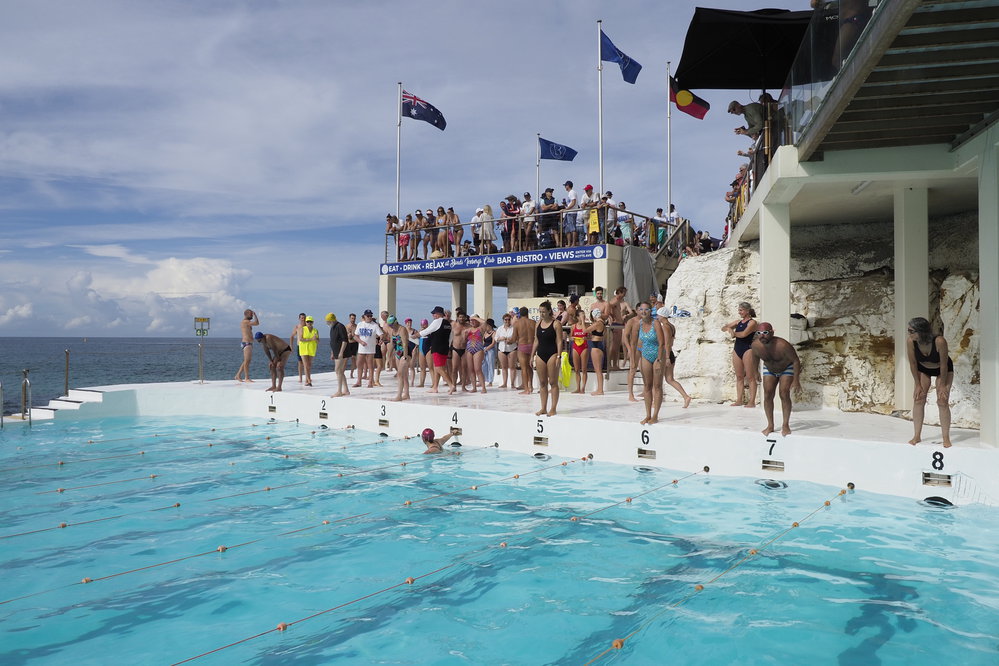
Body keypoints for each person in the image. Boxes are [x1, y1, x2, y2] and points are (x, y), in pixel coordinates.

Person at [905, 317, 954, 447]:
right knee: (919, 398)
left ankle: (946, 438)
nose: (909, 333)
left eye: (911, 331)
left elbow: (944, 365)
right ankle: (917, 436)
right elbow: (913, 363)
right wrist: (917, 384)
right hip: (923, 369)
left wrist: (943, 385)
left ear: (921, 331)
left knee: (942, 400)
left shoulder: (939, 341)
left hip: (942, 370)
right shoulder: (911, 341)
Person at [752, 322, 802, 437]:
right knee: (768, 394)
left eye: (765, 333)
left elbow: (795, 361)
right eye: (759, 333)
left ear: (772, 332)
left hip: (786, 368)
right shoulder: (756, 345)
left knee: (784, 393)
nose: (762, 335)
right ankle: (770, 425)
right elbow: (754, 358)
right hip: (769, 369)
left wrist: (796, 380)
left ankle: (785, 424)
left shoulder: (783, 345)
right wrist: (755, 372)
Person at [721, 302, 759, 407]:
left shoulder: (752, 323)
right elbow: (723, 328)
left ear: (747, 311)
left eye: (741, 310)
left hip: (748, 349)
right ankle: (739, 400)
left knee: (750, 377)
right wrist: (729, 328)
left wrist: (733, 333)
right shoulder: (738, 322)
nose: (739, 312)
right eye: (739, 310)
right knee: (739, 376)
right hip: (737, 349)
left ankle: (752, 401)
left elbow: (744, 334)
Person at [633, 302, 664, 424]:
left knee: (657, 386)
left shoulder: (656, 323)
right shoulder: (638, 324)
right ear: (638, 311)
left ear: (650, 311)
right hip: (645, 355)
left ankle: (655, 415)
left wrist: (659, 359)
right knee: (647, 386)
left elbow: (662, 343)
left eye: (646, 309)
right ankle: (648, 415)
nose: (644, 312)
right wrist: (633, 359)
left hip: (657, 354)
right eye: (641, 309)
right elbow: (635, 342)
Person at [415, 306, 456, 394]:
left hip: (437, 347)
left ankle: (451, 385)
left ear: (438, 314)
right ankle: (435, 387)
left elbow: (427, 331)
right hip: (445, 348)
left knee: (438, 368)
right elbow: (451, 337)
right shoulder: (448, 324)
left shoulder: (437, 321)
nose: (433, 315)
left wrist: (415, 335)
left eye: (434, 313)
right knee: (437, 366)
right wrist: (447, 346)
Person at [532, 300, 563, 416]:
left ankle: (553, 408)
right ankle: (543, 408)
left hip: (552, 354)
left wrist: (559, 356)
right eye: (540, 312)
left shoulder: (556, 324)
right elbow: (536, 341)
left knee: (553, 382)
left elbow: (559, 341)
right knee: (542, 382)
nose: (541, 314)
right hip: (540, 354)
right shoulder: (538, 323)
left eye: (544, 312)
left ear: (549, 311)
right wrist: (532, 356)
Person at [660, 312, 692, 408]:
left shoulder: (665, 327)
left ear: (662, 315)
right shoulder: (671, 326)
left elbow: (667, 343)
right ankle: (686, 396)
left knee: (658, 379)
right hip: (670, 353)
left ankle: (655, 400)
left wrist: (666, 357)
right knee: (669, 379)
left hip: (666, 354)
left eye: (658, 315)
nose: (657, 317)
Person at [352, 310, 382, 389]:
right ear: (364, 316)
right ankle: (359, 381)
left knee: (370, 366)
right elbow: (355, 336)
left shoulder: (374, 325)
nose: (369, 317)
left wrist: (381, 340)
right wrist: (361, 342)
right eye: (368, 316)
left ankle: (370, 382)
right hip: (361, 348)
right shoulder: (360, 324)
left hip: (370, 349)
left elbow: (381, 334)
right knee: (359, 364)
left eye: (370, 316)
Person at [510, 306, 536, 395]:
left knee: (524, 368)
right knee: (530, 367)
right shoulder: (533, 322)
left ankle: (526, 389)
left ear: (519, 314)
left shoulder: (517, 324)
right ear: (527, 313)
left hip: (522, 346)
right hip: (532, 346)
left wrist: (508, 341)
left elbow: (513, 338)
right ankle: (531, 386)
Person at [385, 315, 411, 401]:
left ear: (396, 322)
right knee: (404, 375)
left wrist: (405, 356)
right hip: (398, 353)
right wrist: (388, 357)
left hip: (405, 353)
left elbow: (405, 344)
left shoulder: (402, 329)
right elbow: (392, 344)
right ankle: (406, 394)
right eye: (389, 325)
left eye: (391, 324)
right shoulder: (392, 330)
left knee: (400, 374)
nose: (391, 326)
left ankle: (399, 395)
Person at [326, 312, 350, 397]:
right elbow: (333, 341)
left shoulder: (340, 326)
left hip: (342, 352)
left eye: (328, 321)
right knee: (340, 371)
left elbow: (344, 340)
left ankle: (339, 391)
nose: (327, 323)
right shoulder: (332, 327)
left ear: (332, 320)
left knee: (338, 370)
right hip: (336, 352)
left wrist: (341, 352)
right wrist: (332, 352)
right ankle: (346, 390)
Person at [586, 308, 607, 396]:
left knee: (598, 370)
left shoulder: (598, 323)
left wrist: (583, 322)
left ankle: (600, 390)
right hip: (599, 344)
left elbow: (585, 330)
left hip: (596, 346)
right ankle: (599, 389)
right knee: (598, 369)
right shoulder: (602, 323)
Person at [235, 308, 259, 382]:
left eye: (252, 314)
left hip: (248, 343)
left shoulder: (246, 322)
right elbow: (257, 323)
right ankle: (247, 378)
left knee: (246, 361)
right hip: (247, 343)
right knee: (247, 361)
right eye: (251, 314)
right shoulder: (245, 322)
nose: (252, 316)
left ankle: (238, 375)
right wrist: (255, 315)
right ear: (247, 314)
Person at [465, 315, 487, 393]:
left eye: (474, 320)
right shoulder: (468, 330)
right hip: (469, 349)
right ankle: (474, 387)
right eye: (471, 320)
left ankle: (483, 387)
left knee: (478, 369)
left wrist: (475, 317)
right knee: (471, 369)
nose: (472, 322)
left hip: (478, 349)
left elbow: (484, 322)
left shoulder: (480, 329)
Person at [495, 312, 517, 389]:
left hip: (512, 349)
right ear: (503, 320)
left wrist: (511, 340)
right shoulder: (500, 328)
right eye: (505, 320)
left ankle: (512, 383)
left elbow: (517, 338)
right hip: (502, 349)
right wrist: (501, 338)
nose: (507, 321)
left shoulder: (514, 328)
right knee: (504, 367)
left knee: (512, 367)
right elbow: (495, 338)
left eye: (508, 319)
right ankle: (504, 383)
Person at [569, 309, 589, 394]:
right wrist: (572, 338)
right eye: (581, 315)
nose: (583, 317)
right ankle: (578, 387)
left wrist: (583, 322)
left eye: (583, 315)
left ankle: (583, 387)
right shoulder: (574, 326)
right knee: (577, 369)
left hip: (584, 347)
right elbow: (570, 336)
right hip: (576, 346)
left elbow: (588, 334)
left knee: (584, 369)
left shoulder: (587, 325)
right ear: (577, 317)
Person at [298, 315, 319, 387]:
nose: (309, 323)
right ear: (306, 322)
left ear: (313, 322)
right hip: (303, 349)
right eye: (308, 321)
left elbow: (318, 340)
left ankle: (307, 381)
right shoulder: (302, 329)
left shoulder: (315, 330)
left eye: (310, 322)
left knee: (309, 365)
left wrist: (316, 339)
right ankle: (309, 379)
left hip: (312, 349)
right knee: (306, 365)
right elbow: (301, 339)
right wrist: (311, 339)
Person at [290, 312, 306, 384]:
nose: (303, 319)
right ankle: (300, 378)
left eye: (304, 318)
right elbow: (292, 336)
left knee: (307, 363)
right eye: (302, 318)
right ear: (299, 318)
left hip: (306, 346)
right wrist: (291, 346)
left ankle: (307, 377)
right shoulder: (297, 327)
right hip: (299, 346)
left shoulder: (308, 326)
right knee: (300, 363)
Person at [562, 181, 578, 247]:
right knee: (567, 229)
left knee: (572, 228)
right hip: (569, 213)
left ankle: (573, 243)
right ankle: (569, 243)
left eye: (565, 186)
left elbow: (573, 202)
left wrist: (566, 209)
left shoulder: (572, 192)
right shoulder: (570, 193)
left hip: (572, 212)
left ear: (568, 186)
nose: (565, 187)